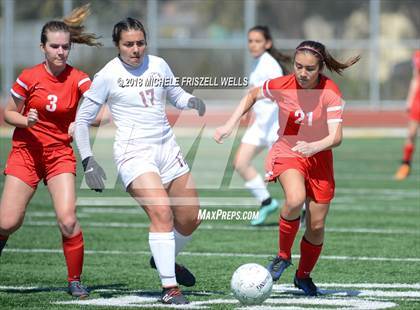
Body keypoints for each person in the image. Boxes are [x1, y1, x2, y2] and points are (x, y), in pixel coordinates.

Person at [74, 17, 206, 305]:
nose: (136, 49)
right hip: (134, 154)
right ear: (117, 45)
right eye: (128, 44)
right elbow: (82, 120)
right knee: (162, 213)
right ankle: (170, 289)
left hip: (167, 150)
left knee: (191, 217)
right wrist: (88, 161)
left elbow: (176, 94)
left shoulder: (158, 64)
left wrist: (190, 102)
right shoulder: (107, 75)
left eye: (140, 43)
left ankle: (163, 259)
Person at [214, 40, 360, 296]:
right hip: (288, 151)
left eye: (310, 69)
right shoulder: (283, 85)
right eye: (298, 66)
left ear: (321, 68)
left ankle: (303, 276)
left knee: (316, 225)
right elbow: (251, 94)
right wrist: (229, 125)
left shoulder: (330, 91)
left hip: (320, 157)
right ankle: (283, 256)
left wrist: (314, 146)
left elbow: (336, 137)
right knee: (294, 199)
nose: (302, 73)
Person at [0, 4, 101, 298]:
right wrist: (26, 120)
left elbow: (101, 111)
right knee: (7, 222)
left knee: (68, 219)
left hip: (59, 156)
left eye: (65, 47)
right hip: (26, 154)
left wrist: (82, 123)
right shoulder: (29, 77)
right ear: (42, 47)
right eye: (54, 46)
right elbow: (8, 114)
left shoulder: (78, 77)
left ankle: (75, 280)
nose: (60, 52)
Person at [234, 26, 287, 226]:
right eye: (250, 41)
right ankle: (266, 202)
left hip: (276, 127)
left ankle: (305, 209)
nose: (253, 45)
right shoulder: (257, 63)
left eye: (258, 41)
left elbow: (280, 92)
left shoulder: (270, 65)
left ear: (268, 43)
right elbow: (254, 93)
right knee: (240, 163)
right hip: (260, 126)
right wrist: (248, 111)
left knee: (285, 175)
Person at [394, 50, 420, 180]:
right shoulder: (417, 55)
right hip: (418, 101)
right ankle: (405, 165)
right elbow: (415, 79)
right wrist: (409, 100)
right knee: (411, 134)